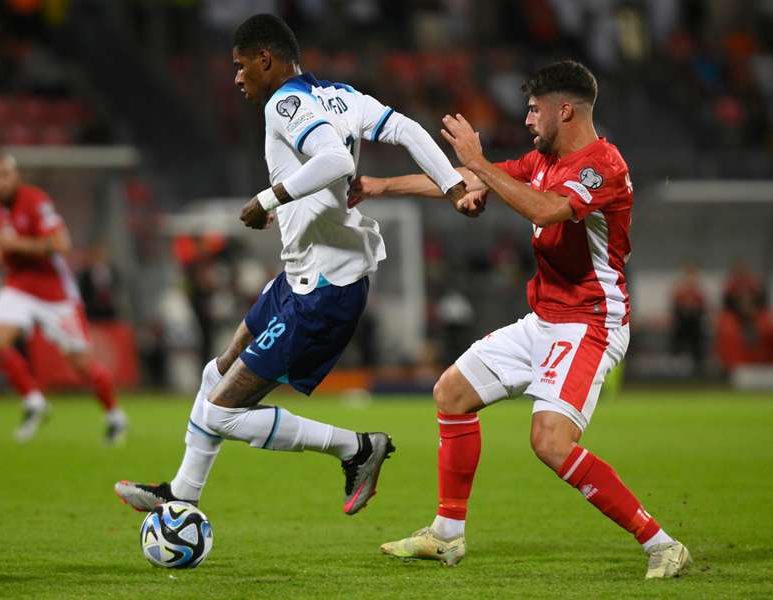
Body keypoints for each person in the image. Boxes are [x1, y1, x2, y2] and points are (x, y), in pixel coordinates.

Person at [114, 13, 473, 517]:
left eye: (241, 66)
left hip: (322, 290)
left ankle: (357, 448)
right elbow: (411, 130)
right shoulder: (341, 94)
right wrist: (452, 186)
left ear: (266, 59)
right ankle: (183, 493)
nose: (237, 77)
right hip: (301, 276)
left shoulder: (285, 103)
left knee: (221, 412)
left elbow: (336, 161)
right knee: (211, 375)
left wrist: (266, 199)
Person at [351, 60, 691, 579]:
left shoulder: (603, 166)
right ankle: (446, 535)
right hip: (545, 318)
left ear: (565, 110)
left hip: (590, 322)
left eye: (534, 110)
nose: (527, 119)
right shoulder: (542, 160)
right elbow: (461, 178)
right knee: (451, 393)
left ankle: (662, 544)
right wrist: (378, 186)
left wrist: (482, 165)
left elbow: (546, 211)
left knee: (550, 442)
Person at [0, 151, 128, 444]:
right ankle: (34, 401)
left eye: (4, 175)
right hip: (18, 286)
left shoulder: (35, 201)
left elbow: (61, 244)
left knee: (81, 364)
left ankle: (115, 416)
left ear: (16, 175)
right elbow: (3, 238)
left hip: (54, 294)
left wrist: (13, 245)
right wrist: (0, 255)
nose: (0, 182)